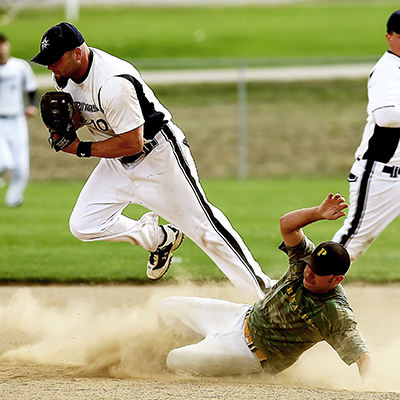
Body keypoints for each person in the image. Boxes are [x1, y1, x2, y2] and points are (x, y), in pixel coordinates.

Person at [31, 22, 274, 299]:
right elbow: (83, 116)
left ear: (77, 53)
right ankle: (159, 239)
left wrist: (79, 148)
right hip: (116, 163)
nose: (50, 67)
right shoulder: (63, 77)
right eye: (45, 61)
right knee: (84, 224)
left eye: (54, 59)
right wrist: (65, 128)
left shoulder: (113, 83)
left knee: (205, 229)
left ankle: (265, 291)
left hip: (158, 158)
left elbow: (132, 142)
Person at [159, 193, 373, 379]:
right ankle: (204, 345)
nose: (310, 273)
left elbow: (363, 356)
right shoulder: (304, 261)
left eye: (319, 272)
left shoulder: (334, 312)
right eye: (311, 266)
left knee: (174, 359)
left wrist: (370, 388)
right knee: (167, 308)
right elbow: (287, 225)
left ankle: (228, 366)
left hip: (250, 353)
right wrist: (317, 213)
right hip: (240, 316)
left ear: (336, 280)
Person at [332, 10, 400, 262]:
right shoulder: (388, 70)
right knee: (351, 243)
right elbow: (386, 116)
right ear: (389, 37)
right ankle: (298, 293)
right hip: (381, 174)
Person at [0, 33, 37, 207]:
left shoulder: (19, 67)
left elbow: (31, 89)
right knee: (4, 161)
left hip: (16, 119)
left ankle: (13, 199)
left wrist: (32, 106)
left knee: (21, 166)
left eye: (3, 44)